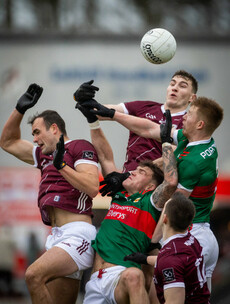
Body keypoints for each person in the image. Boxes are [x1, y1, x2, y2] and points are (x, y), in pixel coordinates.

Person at [82, 95, 223, 291]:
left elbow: (172, 205)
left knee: (174, 297)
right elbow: (149, 128)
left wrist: (152, 244)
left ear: (200, 124)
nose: (183, 117)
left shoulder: (193, 161)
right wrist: (113, 114)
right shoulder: (201, 142)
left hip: (192, 236)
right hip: (201, 233)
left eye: (189, 114)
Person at [0, 84, 100, 304]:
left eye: (37, 132)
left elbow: (93, 187)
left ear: (54, 128)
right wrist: (19, 109)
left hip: (78, 235)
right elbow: (7, 142)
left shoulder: (79, 146)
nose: (34, 139)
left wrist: (62, 165)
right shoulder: (43, 155)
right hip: (56, 236)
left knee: (33, 275)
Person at [75, 104, 178, 303]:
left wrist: (165, 142)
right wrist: (92, 120)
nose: (132, 172)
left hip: (120, 277)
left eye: (141, 173)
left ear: (151, 187)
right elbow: (105, 156)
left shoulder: (151, 201)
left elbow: (171, 181)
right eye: (135, 170)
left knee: (135, 275)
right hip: (95, 281)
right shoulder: (119, 194)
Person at [74, 70, 198, 173]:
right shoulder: (144, 107)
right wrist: (80, 98)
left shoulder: (189, 123)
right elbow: (99, 112)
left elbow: (179, 154)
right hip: (127, 181)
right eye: (172, 84)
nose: (175, 88)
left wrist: (140, 173)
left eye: (182, 86)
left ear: (192, 97)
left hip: (156, 188)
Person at [124, 192, 211, 304]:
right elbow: (179, 263)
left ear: (164, 218)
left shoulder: (171, 259)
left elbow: (175, 301)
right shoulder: (191, 240)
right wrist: (145, 259)